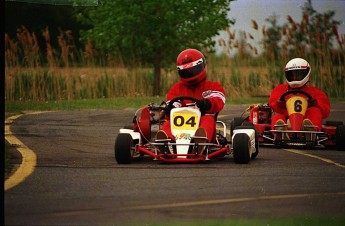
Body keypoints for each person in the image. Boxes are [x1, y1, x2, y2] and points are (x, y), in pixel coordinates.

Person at [156, 48, 226, 153]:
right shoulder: (176, 89)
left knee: (208, 120)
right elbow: (172, 103)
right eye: (186, 72)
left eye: (193, 70)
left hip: (201, 123)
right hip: (180, 127)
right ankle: (167, 142)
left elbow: (219, 101)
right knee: (169, 122)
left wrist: (207, 103)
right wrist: (170, 108)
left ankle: (199, 143)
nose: (191, 74)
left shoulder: (213, 86)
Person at [269, 58, 330, 139]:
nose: (295, 77)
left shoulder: (315, 92)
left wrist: (315, 104)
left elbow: (325, 111)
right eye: (292, 75)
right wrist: (280, 102)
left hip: (305, 120)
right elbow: (273, 105)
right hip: (287, 120)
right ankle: (280, 132)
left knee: (315, 111)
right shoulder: (280, 89)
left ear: (307, 74)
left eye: (298, 75)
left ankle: (310, 131)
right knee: (277, 116)